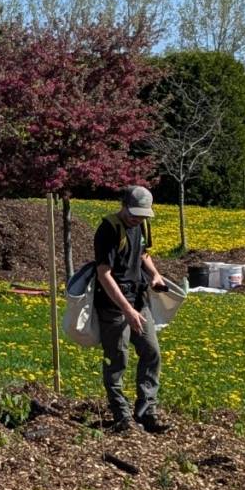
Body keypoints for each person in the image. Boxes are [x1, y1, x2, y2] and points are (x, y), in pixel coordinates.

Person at [93, 184, 173, 433]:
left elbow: (143, 254)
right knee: (117, 360)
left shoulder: (142, 224)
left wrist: (156, 275)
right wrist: (126, 310)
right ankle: (122, 416)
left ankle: (147, 411)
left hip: (139, 301)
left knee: (152, 353)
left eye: (142, 214)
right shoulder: (108, 229)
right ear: (123, 205)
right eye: (133, 213)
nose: (136, 218)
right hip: (114, 306)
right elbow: (103, 273)